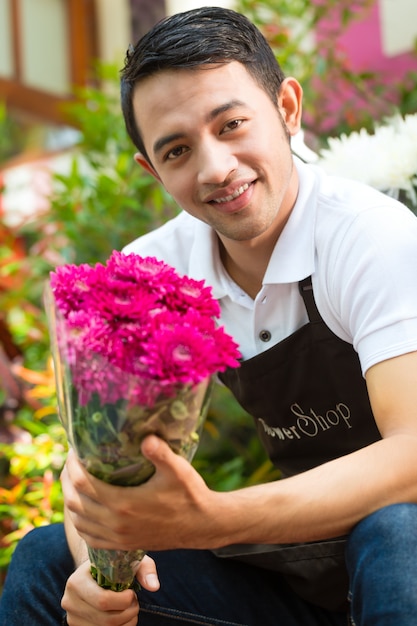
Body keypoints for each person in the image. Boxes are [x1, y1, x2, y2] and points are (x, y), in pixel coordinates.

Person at [2, 6, 417, 625]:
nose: (216, 168)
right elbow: (95, 462)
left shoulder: (368, 235)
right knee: (45, 561)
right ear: (151, 170)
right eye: (177, 150)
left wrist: (212, 519)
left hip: (397, 552)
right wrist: (101, 570)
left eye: (231, 125)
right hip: (300, 576)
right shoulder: (152, 272)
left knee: (397, 533)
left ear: (287, 109)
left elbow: (412, 457)